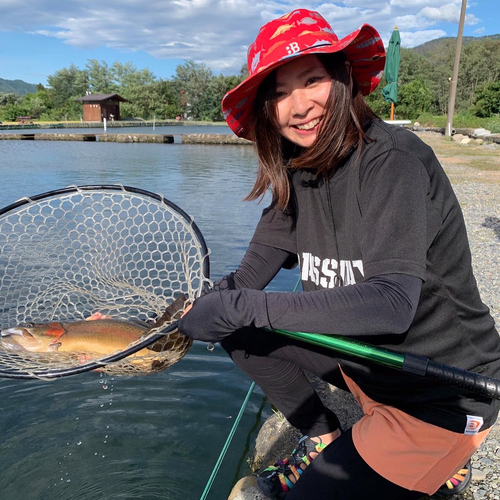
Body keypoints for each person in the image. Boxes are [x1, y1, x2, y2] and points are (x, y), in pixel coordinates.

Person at [178, 9, 500, 500]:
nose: (299, 105)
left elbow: (391, 305)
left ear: (344, 78)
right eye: (280, 92)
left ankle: (441, 458)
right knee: (235, 326)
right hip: (367, 368)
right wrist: (157, 325)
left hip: (441, 389)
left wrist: (240, 306)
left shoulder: (393, 163)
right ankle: (325, 438)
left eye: (312, 80)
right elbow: (242, 285)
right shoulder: (297, 174)